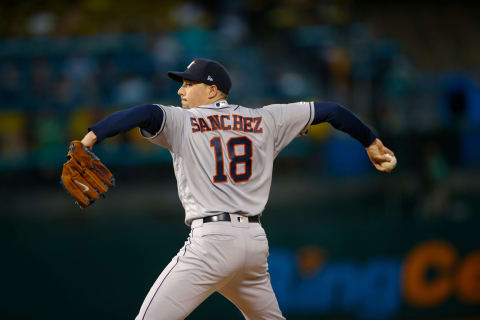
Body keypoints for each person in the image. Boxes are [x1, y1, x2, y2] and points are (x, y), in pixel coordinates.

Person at [79, 58, 395, 320]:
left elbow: (143, 113)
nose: (181, 91)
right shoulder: (265, 118)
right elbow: (332, 112)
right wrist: (370, 141)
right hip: (253, 244)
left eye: (190, 84)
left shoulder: (182, 121)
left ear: (213, 89)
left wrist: (90, 138)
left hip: (212, 242)